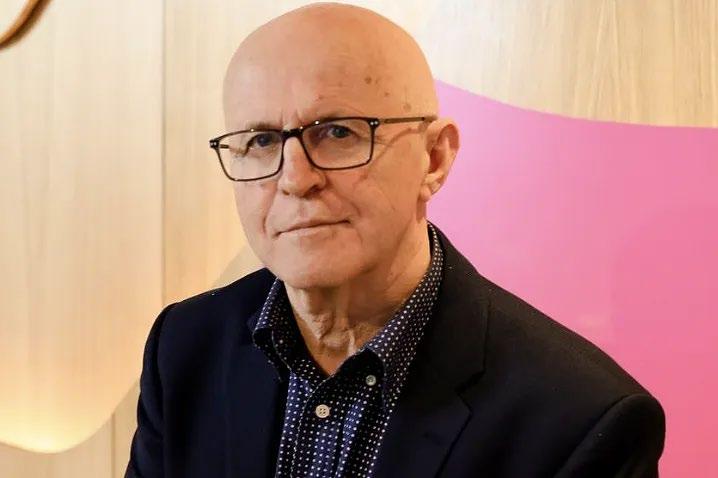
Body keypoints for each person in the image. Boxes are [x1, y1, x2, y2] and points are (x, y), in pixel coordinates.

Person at [125, 3, 665, 477]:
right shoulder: (185, 348)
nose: (295, 178)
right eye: (262, 141)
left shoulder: (579, 420)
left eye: (338, 132)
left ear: (434, 158)